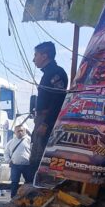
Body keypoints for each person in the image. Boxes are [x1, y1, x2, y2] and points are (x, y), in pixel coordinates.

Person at [30, 41, 68, 173]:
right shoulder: (47, 74)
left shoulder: (56, 73)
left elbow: (58, 100)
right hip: (41, 119)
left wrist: (46, 123)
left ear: (44, 56)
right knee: (36, 156)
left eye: (36, 55)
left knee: (43, 157)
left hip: (48, 121)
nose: (33, 59)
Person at [4, 125, 32, 198]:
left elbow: (34, 152)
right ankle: (13, 199)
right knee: (14, 183)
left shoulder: (30, 140)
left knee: (29, 182)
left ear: (25, 131)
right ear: (15, 132)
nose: (20, 132)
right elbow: (6, 153)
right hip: (15, 165)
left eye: (21, 130)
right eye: (18, 131)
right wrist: (8, 161)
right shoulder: (11, 142)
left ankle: (28, 198)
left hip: (27, 166)